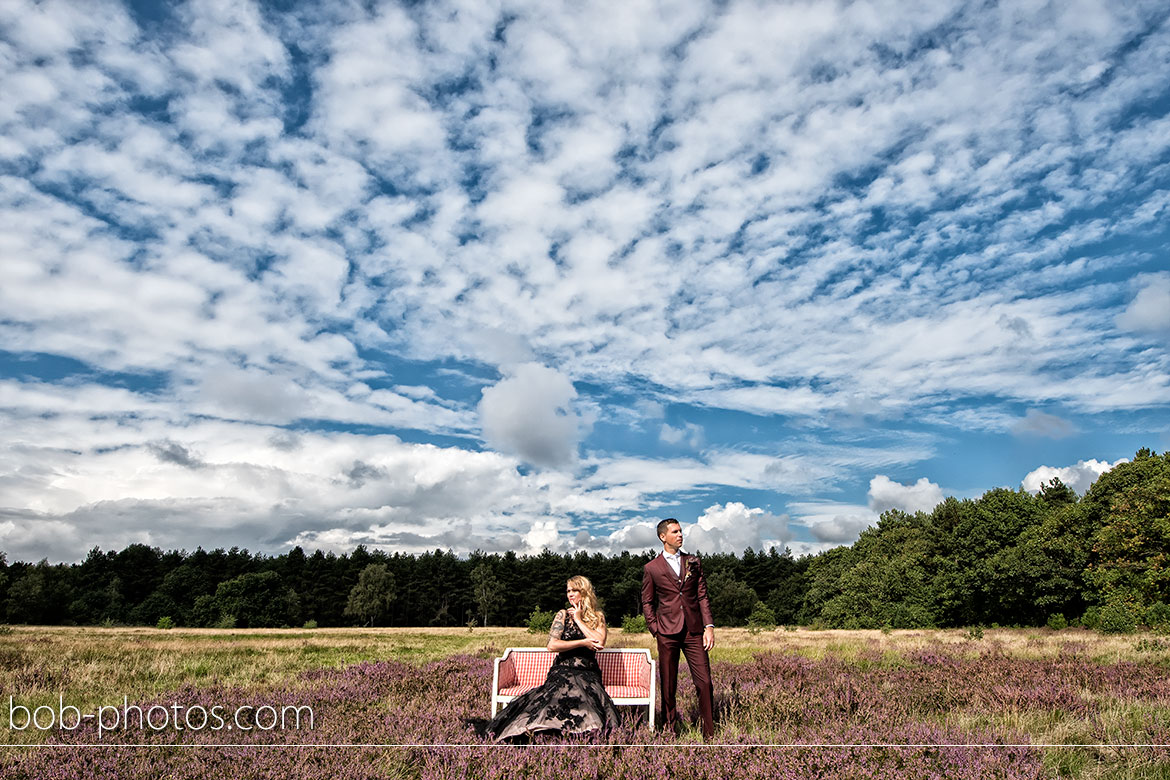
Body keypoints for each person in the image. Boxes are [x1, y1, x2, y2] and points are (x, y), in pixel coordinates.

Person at [487, 575, 620, 741]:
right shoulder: (562, 615)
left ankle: (583, 735)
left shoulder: (598, 616)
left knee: (588, 699)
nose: (570, 594)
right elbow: (552, 645)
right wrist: (584, 642)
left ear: (584, 592)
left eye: (574, 590)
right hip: (562, 669)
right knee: (554, 696)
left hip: (587, 671)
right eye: (568, 591)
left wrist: (578, 620)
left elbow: (599, 642)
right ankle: (544, 734)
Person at [641, 517, 716, 739]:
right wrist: (655, 628)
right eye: (675, 532)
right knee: (668, 684)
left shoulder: (694, 562)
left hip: (694, 631)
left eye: (681, 531)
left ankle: (709, 734)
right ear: (663, 537)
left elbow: (702, 595)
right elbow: (647, 601)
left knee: (705, 682)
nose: (680, 534)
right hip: (667, 632)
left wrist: (708, 626)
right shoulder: (651, 568)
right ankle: (670, 731)